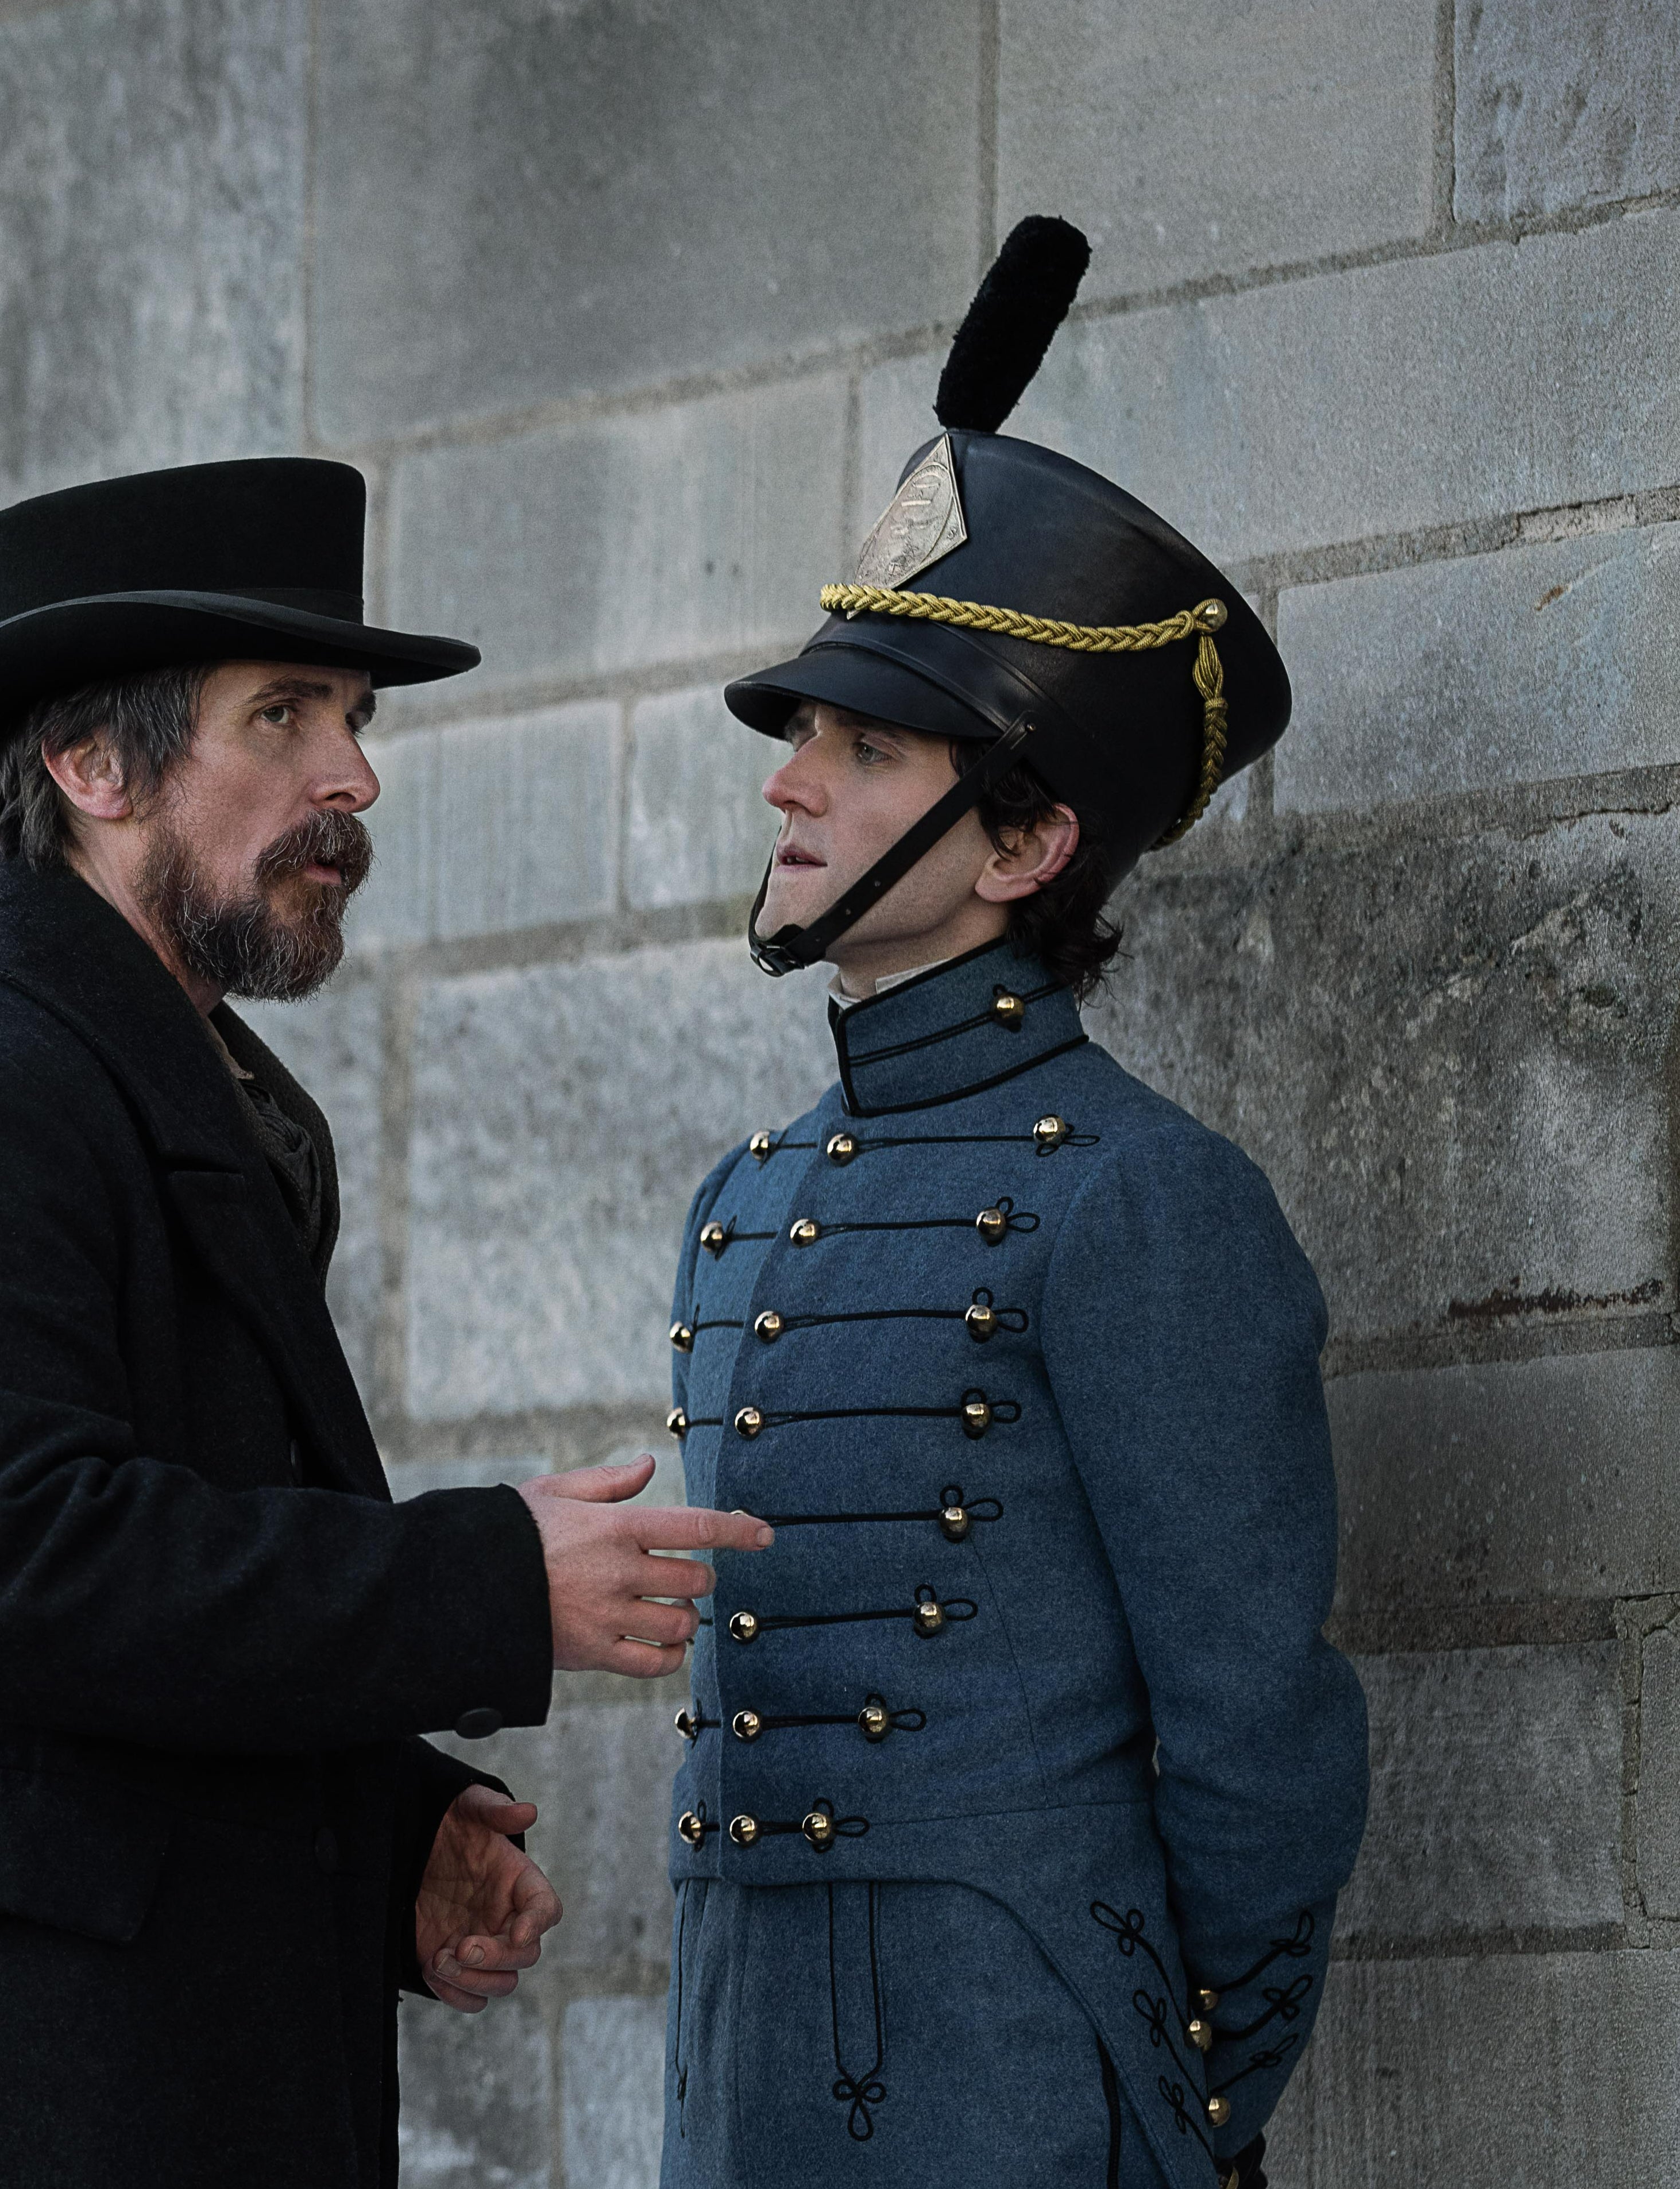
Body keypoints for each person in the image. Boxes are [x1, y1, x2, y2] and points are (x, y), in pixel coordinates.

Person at [0, 456, 773, 2189]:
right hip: (6, 2103)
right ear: (92, 765)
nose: (355, 776)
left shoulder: (186, 1093)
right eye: (284, 715)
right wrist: (487, 1581)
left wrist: (382, 1820)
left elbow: (139, 1619)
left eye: (352, 713)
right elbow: (6, 1566)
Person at [655, 221, 1368, 2189]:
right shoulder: (750, 1197)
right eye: (804, 734)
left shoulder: (1146, 1201)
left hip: (1019, 2088)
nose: (792, 786)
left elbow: (1260, 1736)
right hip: (741, 2081)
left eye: (865, 747)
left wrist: (1179, 2101)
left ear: (1030, 840)